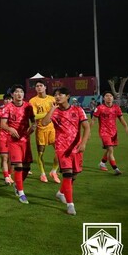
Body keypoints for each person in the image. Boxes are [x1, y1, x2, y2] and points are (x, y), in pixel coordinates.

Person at [42, 87, 91, 216]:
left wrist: (84, 143)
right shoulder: (55, 112)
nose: (57, 97)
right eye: (55, 95)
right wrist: (52, 108)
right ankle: (70, 205)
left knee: (73, 176)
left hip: (76, 148)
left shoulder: (78, 110)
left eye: (60, 94)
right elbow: (44, 122)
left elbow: (86, 128)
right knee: (67, 175)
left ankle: (60, 193)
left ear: (68, 96)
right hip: (61, 148)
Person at [0, 84, 35, 204]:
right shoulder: (8, 108)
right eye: (16, 92)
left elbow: (33, 121)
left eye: (21, 92)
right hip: (14, 141)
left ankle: (17, 184)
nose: (19, 94)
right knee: (19, 166)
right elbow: (3, 124)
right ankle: (21, 193)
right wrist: (10, 129)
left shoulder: (28, 106)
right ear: (12, 95)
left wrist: (33, 127)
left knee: (27, 167)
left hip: (25, 140)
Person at [91, 90, 128, 175]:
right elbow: (93, 120)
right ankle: (116, 169)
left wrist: (126, 127)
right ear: (104, 98)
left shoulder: (116, 107)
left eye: (110, 96)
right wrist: (89, 130)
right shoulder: (100, 108)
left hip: (114, 132)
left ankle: (102, 163)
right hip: (104, 132)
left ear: (113, 98)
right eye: (107, 96)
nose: (109, 97)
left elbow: (121, 118)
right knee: (110, 149)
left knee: (110, 150)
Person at [28, 80, 60, 183]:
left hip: (53, 129)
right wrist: (50, 112)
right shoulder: (33, 101)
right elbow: (34, 116)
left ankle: (54, 171)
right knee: (41, 153)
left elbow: (58, 112)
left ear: (45, 87)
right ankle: (42, 174)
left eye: (41, 85)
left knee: (60, 152)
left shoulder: (52, 99)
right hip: (41, 129)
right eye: (37, 86)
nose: (39, 87)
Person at [0, 94, 14, 185]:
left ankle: (9, 174)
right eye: (6, 100)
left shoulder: (16, 111)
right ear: (3, 101)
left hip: (14, 138)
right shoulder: (0, 112)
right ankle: (6, 177)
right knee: (4, 157)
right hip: (3, 137)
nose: (8, 101)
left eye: (9, 99)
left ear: (12, 100)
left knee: (12, 159)